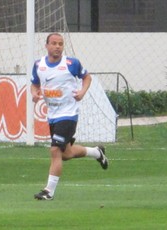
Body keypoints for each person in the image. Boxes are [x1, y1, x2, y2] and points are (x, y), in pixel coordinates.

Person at [31, 33, 108, 201]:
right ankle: (97, 152)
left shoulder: (71, 63)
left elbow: (87, 77)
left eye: (60, 43)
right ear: (47, 46)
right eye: (54, 43)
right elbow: (35, 83)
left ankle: (49, 191)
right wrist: (34, 93)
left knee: (55, 150)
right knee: (65, 154)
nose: (57, 46)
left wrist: (82, 91)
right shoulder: (39, 65)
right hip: (52, 115)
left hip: (68, 114)